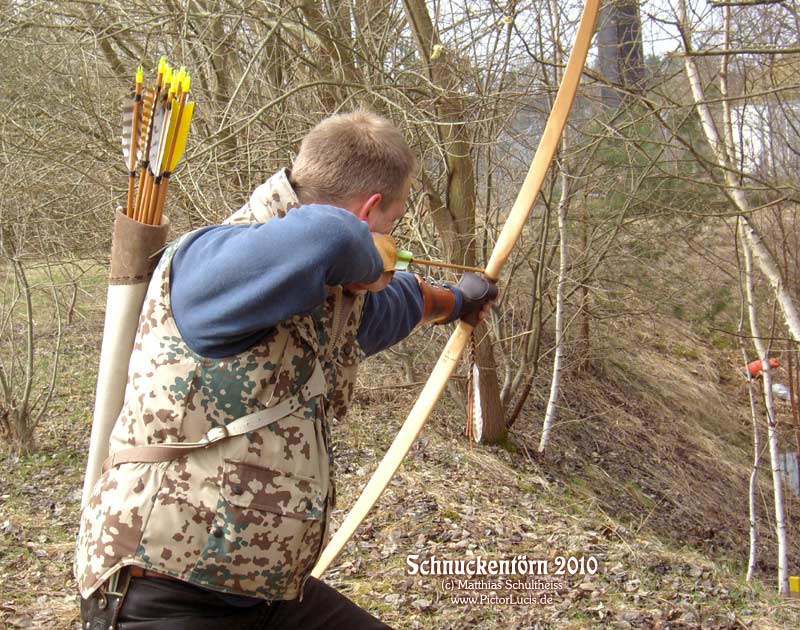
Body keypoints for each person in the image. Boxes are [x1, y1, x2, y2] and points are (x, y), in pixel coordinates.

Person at [75, 111, 497, 629]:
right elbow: (330, 237)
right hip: (164, 590)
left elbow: (397, 304)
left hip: (266, 594)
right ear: (368, 211)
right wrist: (365, 245)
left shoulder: (328, 295)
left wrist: (457, 300)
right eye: (394, 220)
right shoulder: (213, 261)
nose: (393, 234)